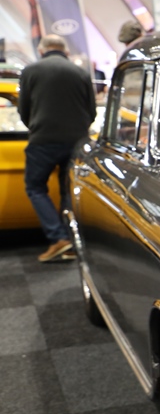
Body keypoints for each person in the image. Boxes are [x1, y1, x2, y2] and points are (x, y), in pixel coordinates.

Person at [17, 34, 96, 262]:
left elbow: (24, 109)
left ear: (41, 50)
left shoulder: (30, 71)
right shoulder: (81, 73)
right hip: (76, 141)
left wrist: (36, 127)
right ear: (66, 51)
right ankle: (70, 239)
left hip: (43, 140)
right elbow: (91, 111)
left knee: (35, 187)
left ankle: (58, 237)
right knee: (67, 189)